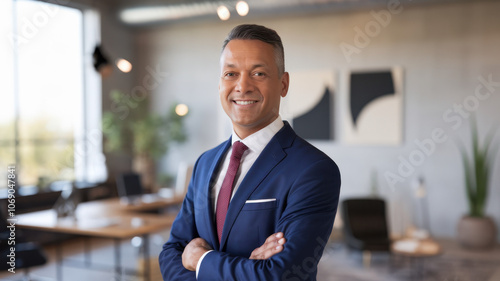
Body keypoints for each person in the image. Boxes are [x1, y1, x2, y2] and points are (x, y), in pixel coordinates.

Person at [159, 24, 341, 281]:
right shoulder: (204, 163)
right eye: (230, 74)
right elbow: (172, 252)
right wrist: (244, 268)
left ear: (283, 84)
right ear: (220, 83)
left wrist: (200, 260)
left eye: (258, 73)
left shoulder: (314, 170)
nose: (242, 86)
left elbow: (282, 275)